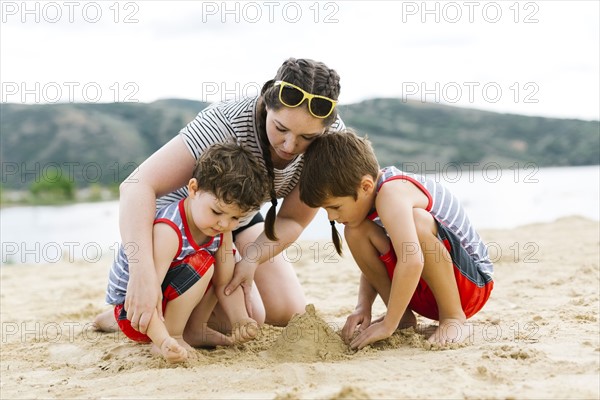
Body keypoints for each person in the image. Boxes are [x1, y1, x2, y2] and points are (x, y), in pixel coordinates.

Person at [94, 58, 344, 346]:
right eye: (280, 128)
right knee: (248, 316)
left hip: (236, 219)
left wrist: (251, 259)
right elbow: (136, 186)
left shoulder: (329, 139)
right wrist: (143, 274)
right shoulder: (226, 123)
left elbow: (294, 219)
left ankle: (149, 312)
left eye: (306, 138)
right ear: (266, 102)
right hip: (183, 225)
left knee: (287, 311)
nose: (289, 146)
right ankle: (129, 313)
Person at [298, 129, 494, 349]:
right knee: (356, 231)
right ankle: (403, 318)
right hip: (423, 293)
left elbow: (412, 260)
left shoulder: (392, 192)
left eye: (334, 207)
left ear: (365, 186)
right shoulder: (369, 203)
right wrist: (363, 307)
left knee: (419, 221)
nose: (331, 216)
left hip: (470, 286)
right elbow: (376, 262)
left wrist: (387, 326)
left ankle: (453, 318)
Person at [104, 142, 268, 362]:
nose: (223, 223)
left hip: (161, 304)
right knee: (203, 263)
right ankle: (174, 334)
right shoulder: (169, 230)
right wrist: (163, 341)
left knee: (220, 266)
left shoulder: (222, 230)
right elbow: (149, 292)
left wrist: (240, 319)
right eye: (217, 211)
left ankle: (195, 330)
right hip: (138, 309)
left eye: (235, 218)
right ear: (193, 189)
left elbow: (224, 283)